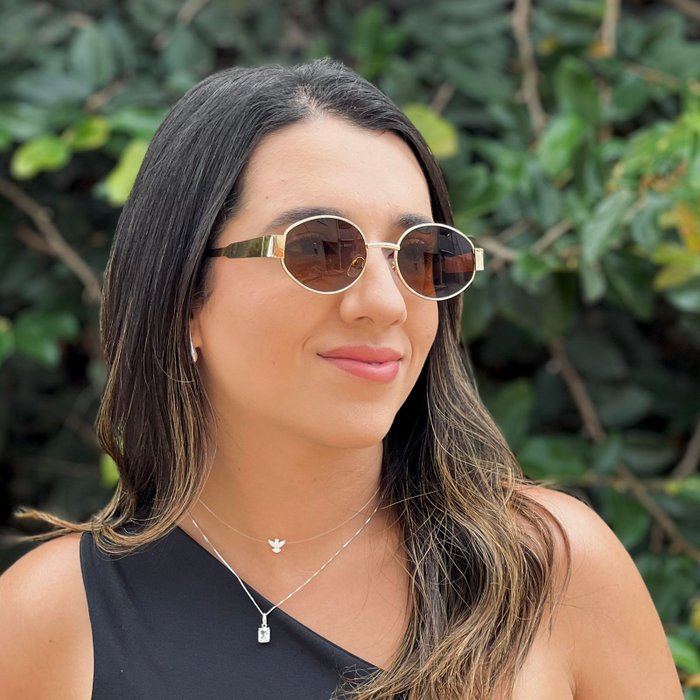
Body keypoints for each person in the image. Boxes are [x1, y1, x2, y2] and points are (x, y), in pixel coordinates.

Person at [0, 59, 683, 700]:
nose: (386, 302)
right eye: (320, 249)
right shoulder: (50, 619)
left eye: (420, 255)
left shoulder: (549, 573)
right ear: (182, 297)